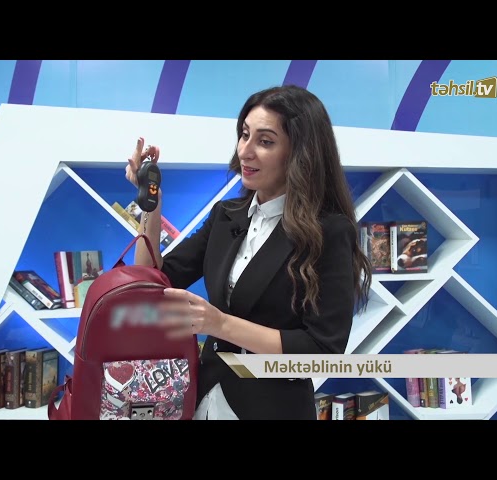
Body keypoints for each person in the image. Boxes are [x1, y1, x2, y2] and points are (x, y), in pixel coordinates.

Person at [125, 85, 372, 420]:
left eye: (265, 141)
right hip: (203, 398)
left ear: (300, 153)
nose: (245, 151)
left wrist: (220, 324)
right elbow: (150, 281)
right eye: (244, 135)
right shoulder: (226, 216)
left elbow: (322, 352)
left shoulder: (329, 231)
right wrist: (150, 201)